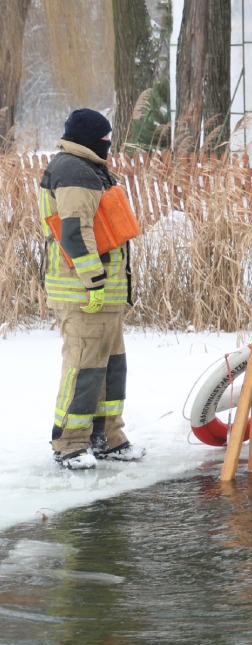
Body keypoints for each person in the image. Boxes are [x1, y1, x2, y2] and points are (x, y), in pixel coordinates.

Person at [39, 109, 144, 470]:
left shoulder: (90, 167)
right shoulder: (73, 171)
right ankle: (69, 443)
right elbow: (74, 233)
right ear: (89, 136)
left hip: (105, 293)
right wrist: (94, 281)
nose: (108, 141)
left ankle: (107, 438)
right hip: (82, 292)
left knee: (111, 368)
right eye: (104, 136)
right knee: (84, 368)